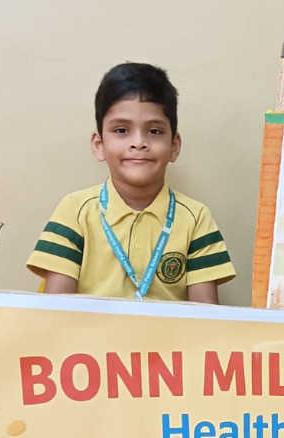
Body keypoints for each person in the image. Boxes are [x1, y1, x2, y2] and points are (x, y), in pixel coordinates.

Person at [27, 63, 236, 304]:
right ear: (99, 145)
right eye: (121, 130)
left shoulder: (196, 218)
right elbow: (56, 311)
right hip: (88, 331)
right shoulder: (74, 211)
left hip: (168, 332)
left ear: (174, 146)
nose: (139, 142)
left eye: (154, 131)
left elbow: (204, 316)